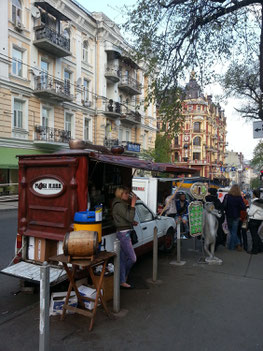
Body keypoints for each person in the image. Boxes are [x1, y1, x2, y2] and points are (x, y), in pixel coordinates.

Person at [112, 186, 137, 288]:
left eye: (128, 193)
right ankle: (123, 276)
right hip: (123, 234)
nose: (127, 195)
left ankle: (122, 280)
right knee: (132, 258)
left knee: (122, 259)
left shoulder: (120, 204)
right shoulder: (119, 205)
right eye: (125, 193)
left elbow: (126, 218)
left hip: (123, 232)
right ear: (120, 194)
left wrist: (131, 223)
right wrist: (133, 204)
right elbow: (129, 217)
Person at [223, 184, 246, 251]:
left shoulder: (227, 196)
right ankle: (233, 246)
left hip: (229, 215)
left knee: (231, 231)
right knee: (234, 231)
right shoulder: (239, 198)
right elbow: (243, 207)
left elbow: (224, 205)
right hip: (237, 216)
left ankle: (233, 246)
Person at [247, 189, 263, 254]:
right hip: (260, 220)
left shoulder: (255, 202)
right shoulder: (261, 202)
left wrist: (247, 209)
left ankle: (255, 250)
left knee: (254, 236)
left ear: (254, 194)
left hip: (253, 220)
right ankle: (261, 247)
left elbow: (250, 213)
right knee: (256, 234)